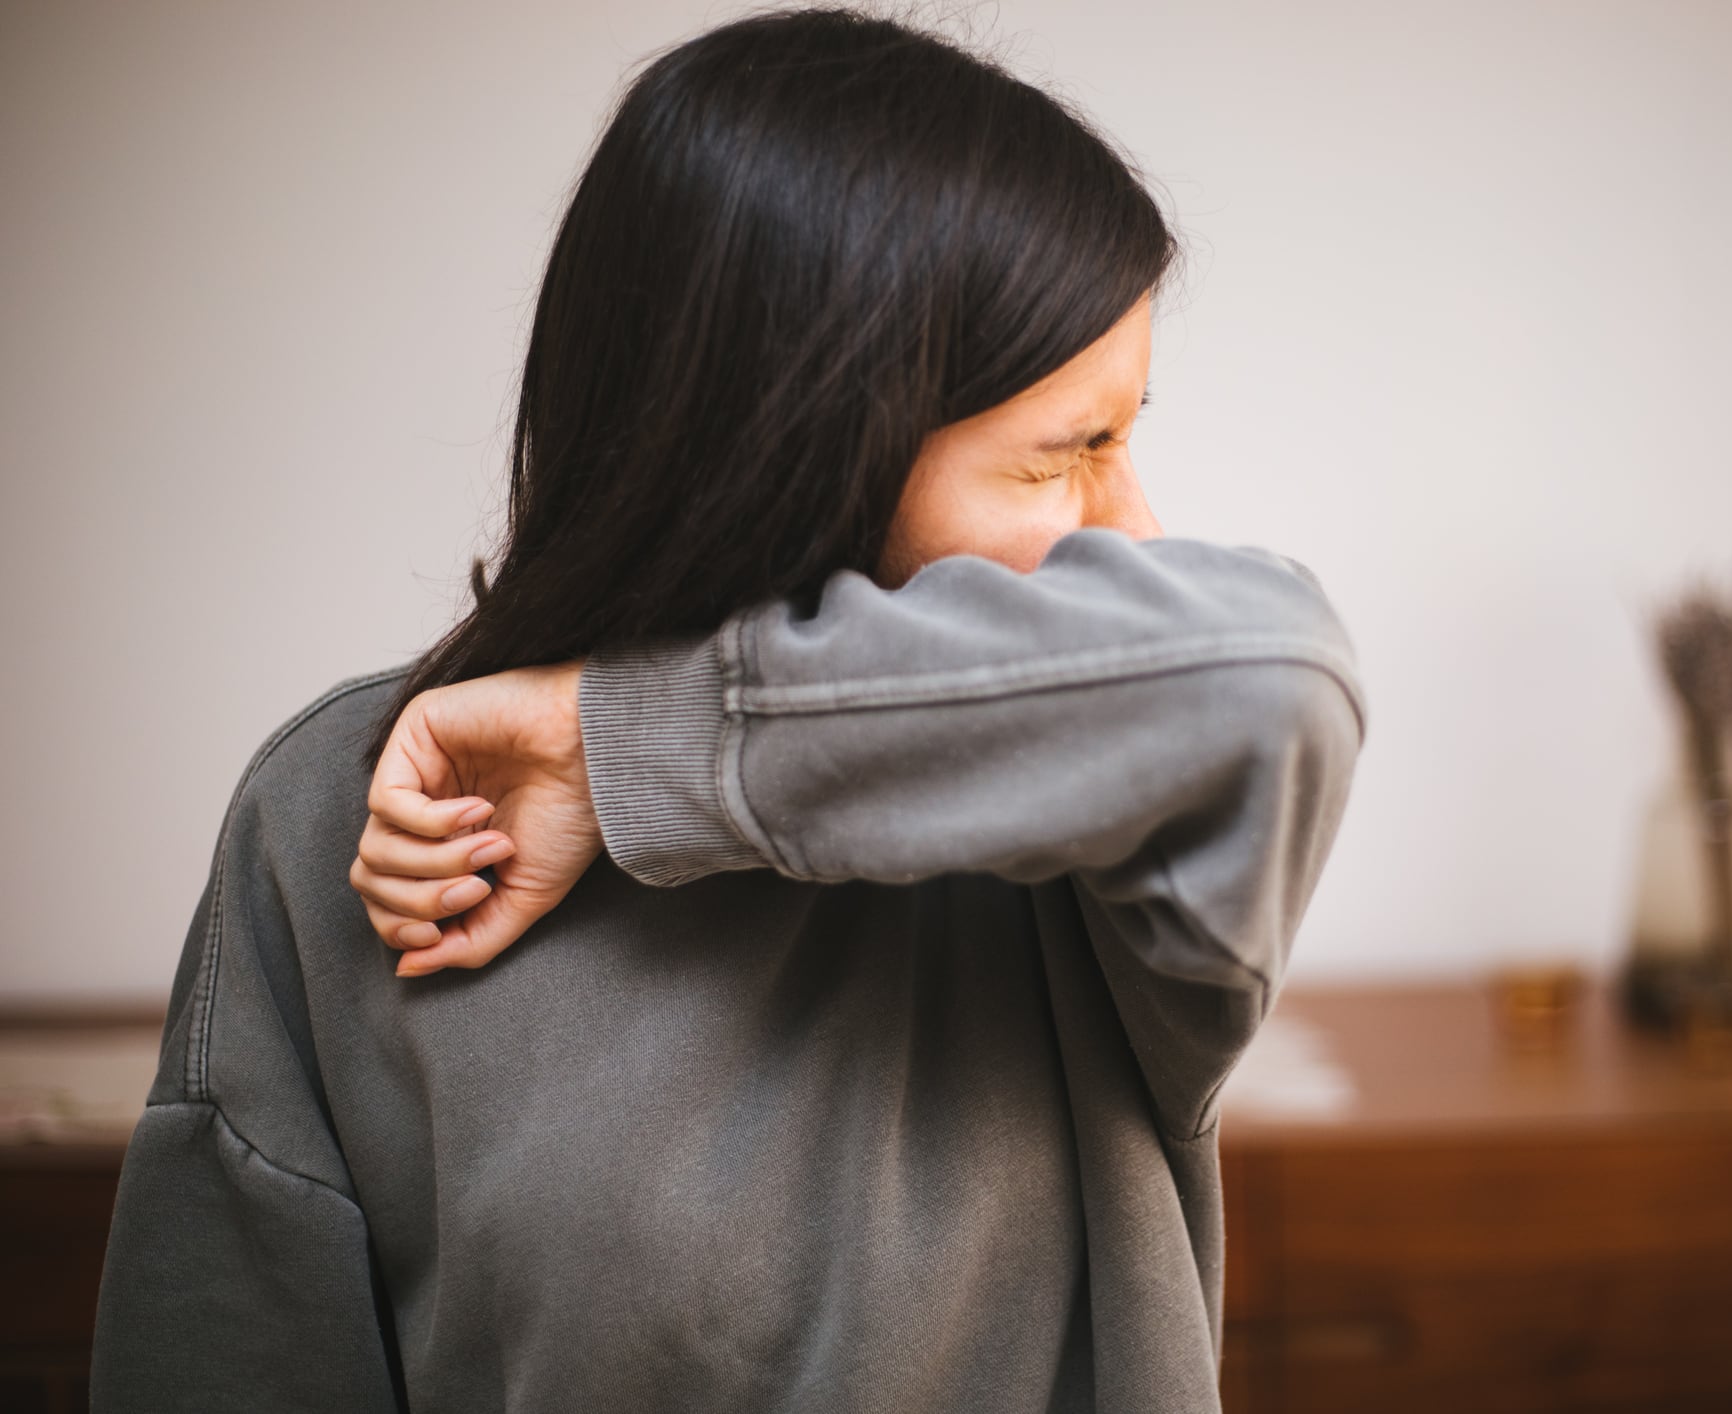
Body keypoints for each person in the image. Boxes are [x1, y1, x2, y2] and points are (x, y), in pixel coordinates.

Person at [89, 7, 1366, 1412]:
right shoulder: (357, 807)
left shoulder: (1089, 836)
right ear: (812, 440)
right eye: (1073, 452)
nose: (1133, 531)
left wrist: (625, 745)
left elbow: (1271, 671)